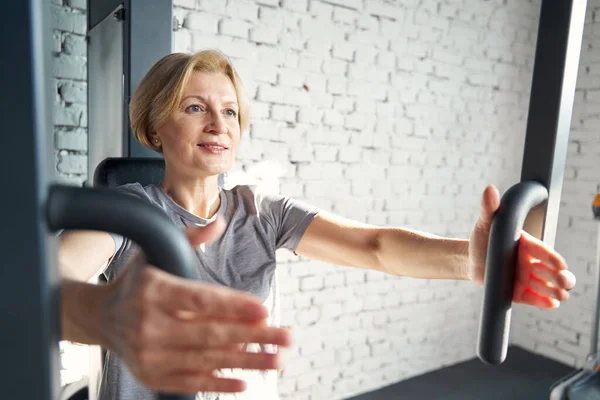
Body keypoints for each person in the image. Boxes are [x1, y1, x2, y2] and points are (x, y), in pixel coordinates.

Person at [59, 49, 576, 400]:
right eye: (195, 108)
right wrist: (99, 314)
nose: (218, 125)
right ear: (155, 126)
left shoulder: (261, 211)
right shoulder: (129, 213)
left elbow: (374, 246)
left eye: (231, 112)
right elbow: (46, 275)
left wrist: (468, 260)